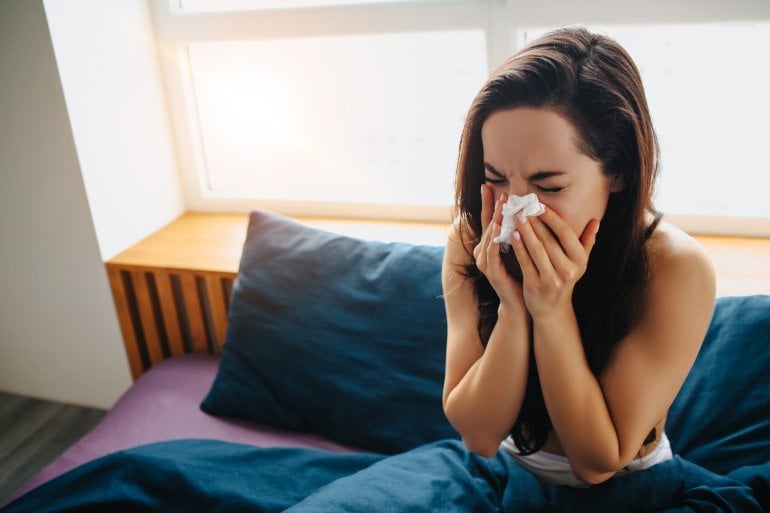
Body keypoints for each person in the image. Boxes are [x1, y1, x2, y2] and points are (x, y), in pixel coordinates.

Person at [441, 26, 716, 487]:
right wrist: (513, 308)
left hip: (629, 485)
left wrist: (551, 311)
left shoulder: (676, 266)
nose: (515, 208)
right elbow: (479, 436)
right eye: (497, 178)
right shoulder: (472, 238)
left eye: (550, 186)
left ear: (619, 173)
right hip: (498, 473)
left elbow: (597, 462)